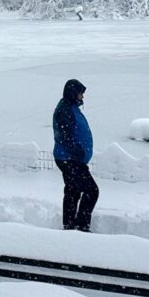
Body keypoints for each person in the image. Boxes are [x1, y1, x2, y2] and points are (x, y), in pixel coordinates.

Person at [52, 79, 99, 231]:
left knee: (73, 190)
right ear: (73, 94)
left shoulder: (70, 107)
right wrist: (77, 151)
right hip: (70, 159)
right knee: (92, 191)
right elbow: (64, 136)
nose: (82, 98)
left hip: (71, 158)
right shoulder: (65, 110)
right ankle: (80, 225)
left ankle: (71, 226)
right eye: (80, 94)